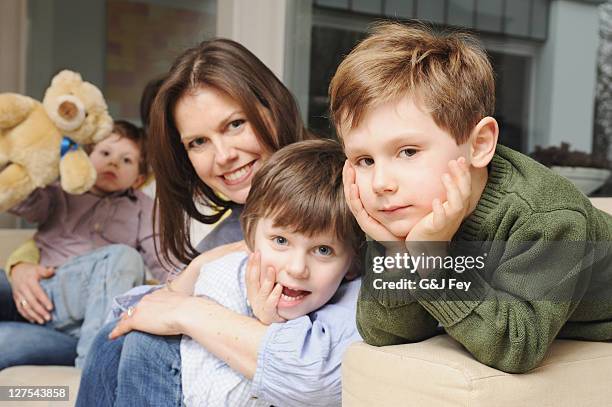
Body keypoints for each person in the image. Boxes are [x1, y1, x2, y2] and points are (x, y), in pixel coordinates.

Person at [329, 21, 612, 374]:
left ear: (479, 145)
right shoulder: (409, 210)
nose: (381, 183)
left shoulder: (547, 217)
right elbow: (384, 334)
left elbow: (517, 345)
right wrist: (399, 252)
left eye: (408, 151)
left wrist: (433, 262)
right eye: (364, 160)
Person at [76, 38, 314, 406]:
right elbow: (130, 316)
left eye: (235, 124)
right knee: (114, 340)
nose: (223, 156)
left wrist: (188, 309)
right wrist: (198, 268)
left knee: (141, 343)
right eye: (198, 142)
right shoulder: (231, 229)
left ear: (272, 108)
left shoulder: (331, 199)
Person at [117, 139, 363, 406]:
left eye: (323, 250)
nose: (296, 269)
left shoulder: (354, 302)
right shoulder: (224, 277)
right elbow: (211, 396)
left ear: (352, 264)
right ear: (250, 237)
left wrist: (269, 324)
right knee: (131, 341)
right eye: (280, 241)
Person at [0, 120, 167, 368]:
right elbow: (20, 199)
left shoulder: (144, 208)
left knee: (124, 257)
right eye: (105, 153)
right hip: (47, 289)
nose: (113, 162)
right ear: (86, 158)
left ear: (138, 179)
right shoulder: (62, 191)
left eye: (127, 160)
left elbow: (164, 261)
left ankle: (94, 368)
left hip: (81, 328)